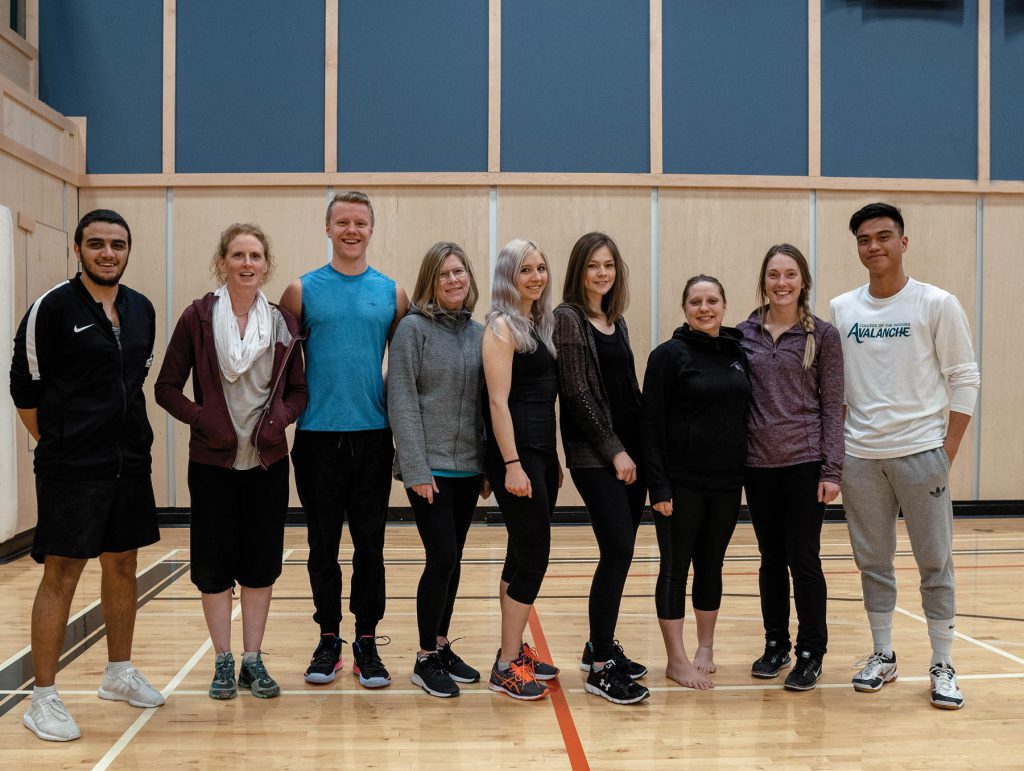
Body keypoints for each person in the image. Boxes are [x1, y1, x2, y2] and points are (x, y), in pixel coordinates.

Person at [10, 209, 164, 741]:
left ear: (128, 250)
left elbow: (134, 382)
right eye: (96, 243)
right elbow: (24, 390)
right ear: (78, 249)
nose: (108, 253)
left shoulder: (141, 309)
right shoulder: (51, 308)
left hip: (129, 463)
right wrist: (59, 443)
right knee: (63, 574)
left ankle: (118, 673)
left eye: (118, 244)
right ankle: (42, 698)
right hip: (71, 468)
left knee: (123, 565)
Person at [830, 202, 979, 710]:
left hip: (922, 455)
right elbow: (837, 389)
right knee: (873, 562)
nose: (874, 246)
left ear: (903, 242)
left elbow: (965, 378)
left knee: (934, 562)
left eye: (884, 236)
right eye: (865, 239)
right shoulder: (842, 309)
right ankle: (883, 654)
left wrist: (948, 449)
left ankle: (942, 663)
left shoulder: (936, 303)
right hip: (860, 457)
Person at [155, 223, 306, 701]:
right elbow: (165, 388)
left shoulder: (283, 322)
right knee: (214, 565)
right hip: (212, 464)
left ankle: (252, 661)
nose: (246, 264)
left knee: (261, 564)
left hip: (267, 463)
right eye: (237, 255)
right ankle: (222, 660)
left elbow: (299, 391)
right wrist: (203, 420)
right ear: (221, 262)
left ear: (266, 265)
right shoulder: (198, 317)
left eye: (255, 256)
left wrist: (278, 418)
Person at [279, 191, 409, 688]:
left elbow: (404, 369)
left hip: (373, 438)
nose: (351, 230)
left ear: (371, 229)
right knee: (322, 546)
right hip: (316, 439)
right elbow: (283, 370)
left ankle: (368, 641)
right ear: (328, 228)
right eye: (342, 222)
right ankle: (329, 637)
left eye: (360, 222)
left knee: (370, 547)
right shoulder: (300, 291)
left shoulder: (392, 294)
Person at [738, 244, 844, 691]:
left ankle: (810, 651)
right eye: (773, 275)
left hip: (805, 464)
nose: (782, 283)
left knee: (804, 559)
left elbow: (833, 405)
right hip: (758, 466)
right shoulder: (743, 334)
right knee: (770, 559)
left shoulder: (823, 336)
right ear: (763, 280)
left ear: (803, 281)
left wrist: (832, 470)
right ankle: (776, 643)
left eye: (790, 275)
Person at [388, 242, 489, 698]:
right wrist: (416, 467)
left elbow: (486, 405)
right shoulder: (412, 330)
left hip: (468, 467)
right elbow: (402, 399)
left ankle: (442, 644)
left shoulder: (478, 333)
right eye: (444, 273)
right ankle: (425, 656)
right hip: (429, 469)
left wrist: (487, 463)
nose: (453, 280)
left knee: (455, 559)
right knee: (442, 557)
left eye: (460, 272)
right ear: (431, 279)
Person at [553, 232, 649, 705]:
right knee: (616, 550)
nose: (603, 273)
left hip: (632, 455)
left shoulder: (616, 320)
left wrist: (645, 447)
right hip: (599, 458)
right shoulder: (568, 319)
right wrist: (614, 451)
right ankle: (601, 667)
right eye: (593, 265)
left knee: (623, 552)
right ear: (579, 271)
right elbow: (576, 395)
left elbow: (628, 389)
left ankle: (598, 647)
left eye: (609, 264)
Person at [642, 274, 750, 690]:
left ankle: (706, 647)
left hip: (726, 483)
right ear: (684, 308)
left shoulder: (736, 352)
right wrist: (659, 488)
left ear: (724, 305)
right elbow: (649, 426)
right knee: (675, 568)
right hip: (680, 484)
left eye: (712, 301)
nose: (704, 309)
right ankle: (677, 659)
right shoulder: (668, 356)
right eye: (695, 302)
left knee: (712, 565)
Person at [482, 238, 561, 700]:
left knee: (520, 552)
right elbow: (497, 401)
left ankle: (511, 651)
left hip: (539, 454)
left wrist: (550, 461)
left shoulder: (537, 323)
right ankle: (506, 665)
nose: (535, 277)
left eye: (540, 268)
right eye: (524, 270)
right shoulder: (501, 326)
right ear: (508, 277)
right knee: (534, 554)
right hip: (518, 455)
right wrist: (512, 464)